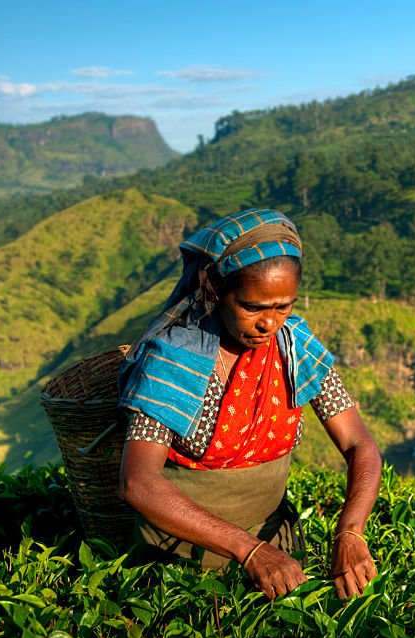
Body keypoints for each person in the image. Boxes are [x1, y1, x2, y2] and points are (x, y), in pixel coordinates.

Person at [118, 208, 382, 600]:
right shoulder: (175, 359)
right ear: (217, 290)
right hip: (179, 561)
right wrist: (248, 549)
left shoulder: (295, 346)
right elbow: (138, 482)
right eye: (252, 307)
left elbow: (360, 446)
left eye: (283, 306)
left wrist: (350, 532)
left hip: (277, 549)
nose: (268, 323)